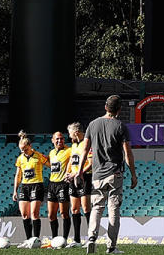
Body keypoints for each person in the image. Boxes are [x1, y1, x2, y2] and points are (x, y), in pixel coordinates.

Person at [67, 95, 137, 255]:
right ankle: (111, 247)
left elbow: (84, 150)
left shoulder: (93, 124)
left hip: (97, 175)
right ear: (119, 109)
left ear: (105, 107)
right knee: (113, 210)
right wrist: (133, 174)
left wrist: (78, 172)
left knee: (97, 208)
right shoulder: (121, 126)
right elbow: (128, 153)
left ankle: (91, 238)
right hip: (115, 174)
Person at [13, 131, 48, 246]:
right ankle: (28, 240)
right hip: (24, 187)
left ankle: (36, 240)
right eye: (21, 150)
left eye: (25, 149)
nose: (23, 151)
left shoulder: (38, 156)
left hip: (37, 185)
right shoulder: (20, 159)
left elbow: (51, 164)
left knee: (34, 213)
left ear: (30, 146)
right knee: (24, 214)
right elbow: (18, 175)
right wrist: (15, 191)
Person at [67, 122, 93, 247]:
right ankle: (77, 240)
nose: (69, 135)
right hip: (73, 178)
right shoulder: (74, 145)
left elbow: (91, 163)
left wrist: (78, 173)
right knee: (74, 209)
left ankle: (91, 238)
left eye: (70, 132)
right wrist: (68, 173)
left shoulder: (87, 144)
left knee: (86, 208)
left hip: (85, 177)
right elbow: (72, 160)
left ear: (76, 132)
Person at [46, 132, 73, 245]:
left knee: (64, 213)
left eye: (61, 139)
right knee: (51, 215)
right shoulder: (51, 153)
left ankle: (64, 240)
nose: (59, 141)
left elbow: (75, 159)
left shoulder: (69, 150)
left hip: (63, 184)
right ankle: (55, 239)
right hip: (52, 184)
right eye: (57, 139)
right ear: (53, 140)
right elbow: (50, 165)